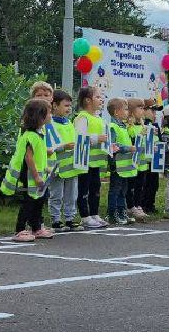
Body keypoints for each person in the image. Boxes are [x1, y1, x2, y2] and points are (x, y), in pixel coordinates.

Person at [0, 98, 53, 241]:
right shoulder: (30, 135)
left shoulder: (39, 134)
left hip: (37, 174)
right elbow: (29, 158)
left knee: (39, 201)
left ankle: (36, 228)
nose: (51, 116)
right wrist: (36, 176)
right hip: (29, 175)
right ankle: (20, 229)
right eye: (49, 113)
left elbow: (39, 156)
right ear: (40, 117)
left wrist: (45, 169)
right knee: (29, 202)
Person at [73, 85, 109, 229]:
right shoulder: (82, 117)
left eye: (101, 97)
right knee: (84, 189)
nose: (101, 100)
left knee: (96, 188)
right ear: (88, 100)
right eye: (98, 97)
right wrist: (96, 139)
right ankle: (85, 216)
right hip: (85, 161)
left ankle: (94, 214)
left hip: (96, 162)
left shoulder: (99, 118)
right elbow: (79, 138)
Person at [48, 89, 82, 231]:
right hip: (57, 166)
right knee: (56, 194)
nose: (69, 109)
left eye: (70, 106)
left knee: (71, 194)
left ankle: (69, 218)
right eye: (66, 106)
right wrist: (64, 147)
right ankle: (56, 220)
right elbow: (50, 146)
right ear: (55, 105)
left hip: (71, 166)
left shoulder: (69, 123)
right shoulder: (50, 124)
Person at [105, 97, 137, 225]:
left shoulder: (123, 126)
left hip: (125, 165)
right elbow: (113, 145)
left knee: (123, 190)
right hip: (117, 164)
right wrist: (127, 148)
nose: (127, 112)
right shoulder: (112, 126)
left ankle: (122, 211)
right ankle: (112, 214)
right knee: (115, 190)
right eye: (125, 109)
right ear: (116, 112)